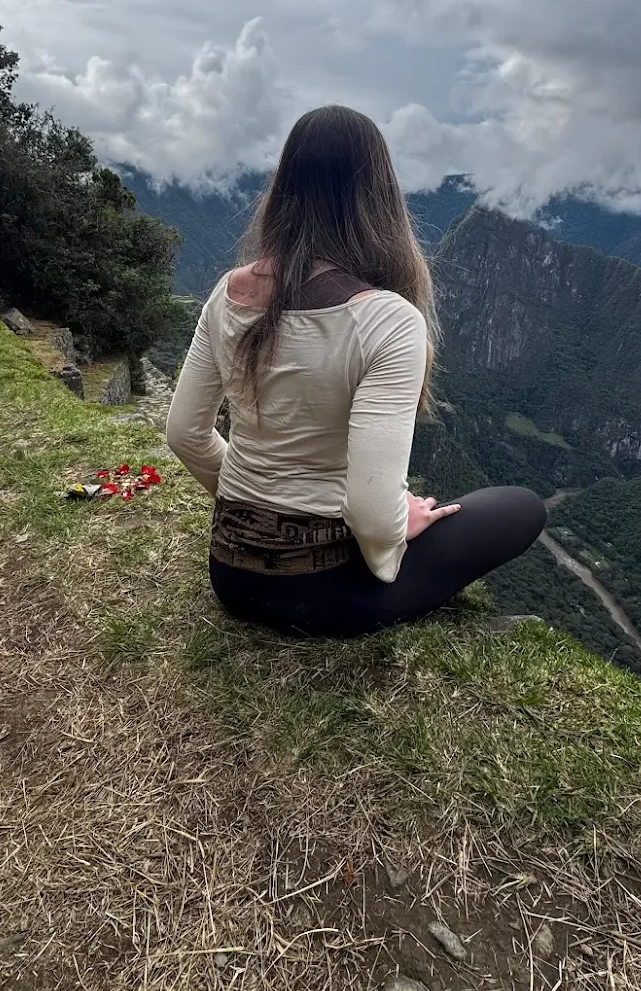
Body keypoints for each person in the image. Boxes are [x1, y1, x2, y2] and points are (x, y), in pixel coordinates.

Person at [165, 105, 546, 637]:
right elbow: (369, 512)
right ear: (379, 197)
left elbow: (183, 434)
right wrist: (394, 541)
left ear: (284, 186)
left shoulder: (228, 295)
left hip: (230, 575)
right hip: (328, 596)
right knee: (519, 508)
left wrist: (249, 517)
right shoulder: (386, 319)